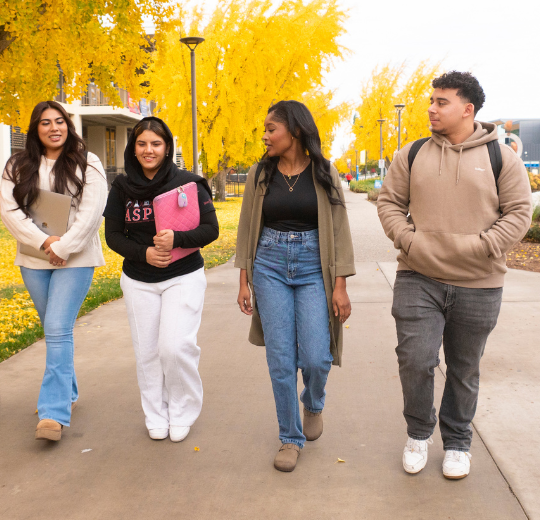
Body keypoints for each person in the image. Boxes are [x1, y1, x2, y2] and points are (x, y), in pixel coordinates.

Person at [377, 71, 533, 479]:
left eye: (441, 101)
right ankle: (417, 433)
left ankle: (458, 442)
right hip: (418, 276)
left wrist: (482, 247)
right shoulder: (411, 154)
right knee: (415, 359)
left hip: (480, 283)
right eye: (432, 100)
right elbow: (389, 203)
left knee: (465, 368)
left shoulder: (503, 158)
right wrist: (409, 241)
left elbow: (519, 213)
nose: (431, 107)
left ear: (468, 109)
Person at [235, 100, 355, 472]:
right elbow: (245, 228)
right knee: (281, 359)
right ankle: (290, 437)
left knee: (318, 356)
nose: (266, 135)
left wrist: (340, 286)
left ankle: (313, 403)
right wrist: (244, 280)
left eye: (272, 128)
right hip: (269, 264)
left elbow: (339, 229)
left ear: (296, 131)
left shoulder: (324, 172)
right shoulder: (260, 174)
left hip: (313, 266)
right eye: (265, 129)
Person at [103, 117, 218, 442]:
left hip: (183, 276)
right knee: (148, 353)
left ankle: (182, 411)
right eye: (142, 144)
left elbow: (211, 229)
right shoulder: (122, 186)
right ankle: (156, 413)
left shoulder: (189, 183)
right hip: (139, 280)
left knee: (175, 347)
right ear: (133, 148)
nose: (148, 150)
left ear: (167, 147)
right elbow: (113, 236)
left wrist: (177, 239)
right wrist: (145, 254)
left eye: (156, 143)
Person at [0, 101, 107, 441]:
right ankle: (68, 392)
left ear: (68, 125)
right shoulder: (17, 165)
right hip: (34, 259)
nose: (54, 127)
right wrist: (46, 243)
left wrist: (62, 247)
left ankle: (52, 413)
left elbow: (91, 213)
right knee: (54, 330)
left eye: (59, 121)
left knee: (59, 328)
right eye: (45, 123)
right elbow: (10, 211)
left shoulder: (87, 162)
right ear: (35, 129)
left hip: (76, 258)